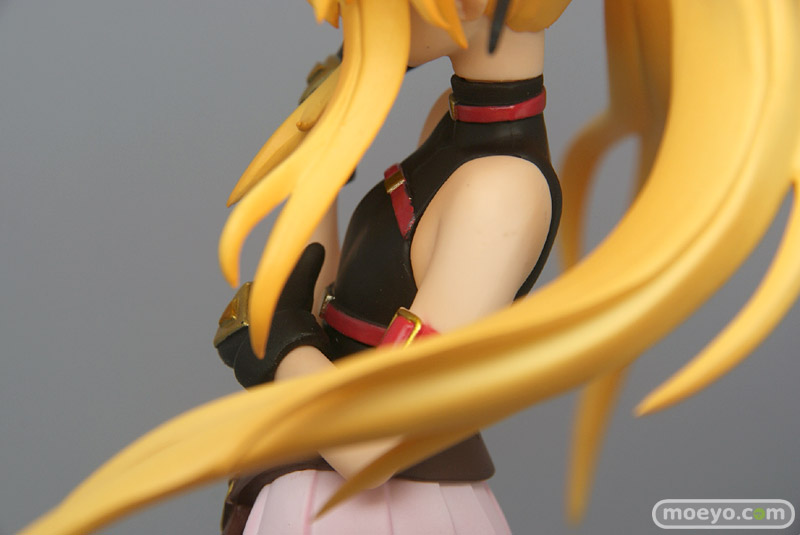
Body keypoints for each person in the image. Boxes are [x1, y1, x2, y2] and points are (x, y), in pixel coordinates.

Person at [21, 1, 800, 534]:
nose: (345, 13)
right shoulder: (452, 125)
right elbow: (319, 295)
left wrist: (279, 347)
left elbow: (377, 442)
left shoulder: (501, 191)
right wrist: (321, 150)